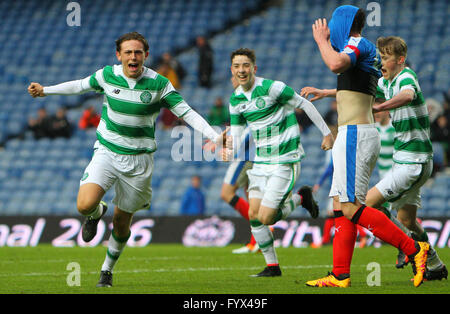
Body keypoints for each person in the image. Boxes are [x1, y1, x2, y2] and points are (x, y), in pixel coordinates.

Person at [27, 32, 227, 288]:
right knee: (84, 204)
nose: (133, 57)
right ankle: (97, 212)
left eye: (138, 52)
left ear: (146, 55)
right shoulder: (107, 76)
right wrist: (46, 91)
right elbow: (79, 85)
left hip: (139, 162)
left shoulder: (159, 84)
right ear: (119, 55)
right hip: (107, 152)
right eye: (128, 52)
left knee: (122, 225)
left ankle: (106, 271)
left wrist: (214, 135)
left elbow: (186, 112)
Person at [301, 6, 429, 288]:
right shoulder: (359, 49)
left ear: (343, 24)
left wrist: (321, 41)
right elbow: (356, 87)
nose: (330, 28)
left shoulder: (356, 44)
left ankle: (413, 249)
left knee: (350, 207)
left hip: (356, 135)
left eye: (334, 24)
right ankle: (339, 275)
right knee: (339, 205)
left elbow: (335, 64)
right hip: (353, 133)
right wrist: (326, 92)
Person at [223, 48, 334, 277]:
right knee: (254, 215)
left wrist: (326, 133)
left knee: (266, 217)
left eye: (246, 66)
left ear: (254, 68)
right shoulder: (235, 100)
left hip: (285, 160)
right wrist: (226, 147)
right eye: (237, 66)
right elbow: (236, 134)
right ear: (232, 70)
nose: (241, 70)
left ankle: (301, 198)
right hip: (261, 163)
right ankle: (272, 267)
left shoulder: (273, 88)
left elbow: (305, 104)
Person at [367, 36, 447, 281]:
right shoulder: (386, 81)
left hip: (415, 160)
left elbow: (408, 96)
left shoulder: (406, 76)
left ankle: (410, 251)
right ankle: (435, 264)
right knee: (407, 220)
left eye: (386, 58)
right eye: (380, 57)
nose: (382, 62)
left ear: (400, 60)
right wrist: (326, 92)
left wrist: (381, 108)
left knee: (367, 205)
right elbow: (361, 92)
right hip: (405, 161)